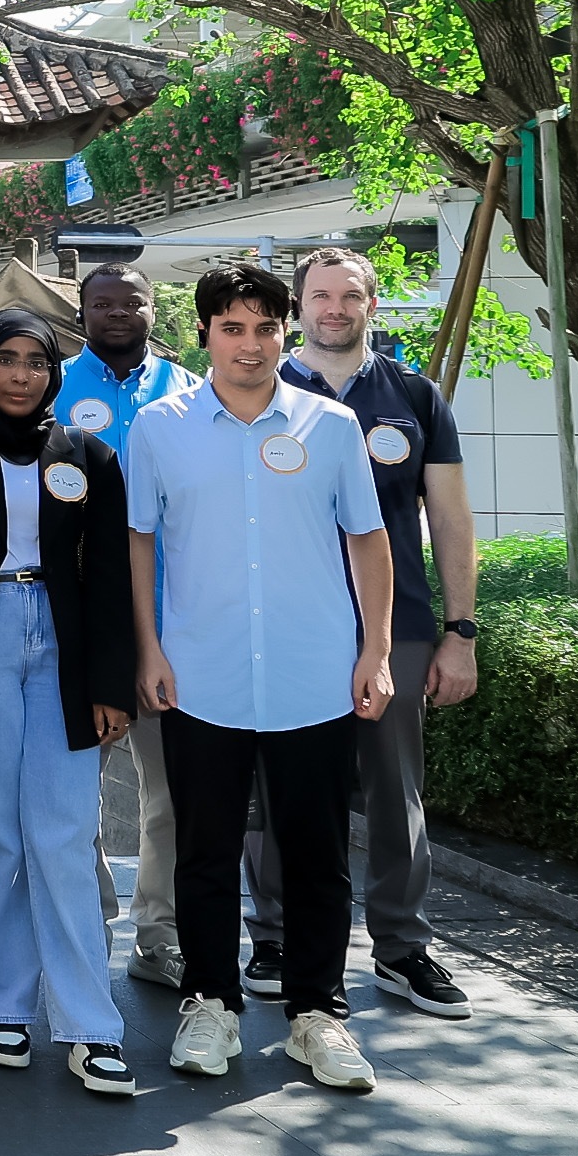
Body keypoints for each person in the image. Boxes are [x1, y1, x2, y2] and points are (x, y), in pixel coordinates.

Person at [131, 262, 396, 1094]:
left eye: (264, 327)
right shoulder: (157, 427)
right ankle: (209, 1001)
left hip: (313, 671)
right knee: (204, 851)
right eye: (232, 327)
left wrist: (376, 649)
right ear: (203, 334)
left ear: (286, 332)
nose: (250, 344)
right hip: (199, 672)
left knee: (317, 854)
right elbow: (137, 542)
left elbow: (369, 539)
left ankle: (317, 1015)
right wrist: (148, 647)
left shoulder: (330, 423)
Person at [243, 247, 479, 1019]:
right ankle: (273, 936)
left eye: (348, 295)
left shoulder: (413, 396)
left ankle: (402, 948)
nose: (333, 308)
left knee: (394, 791)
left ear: (371, 304)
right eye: (318, 296)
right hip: (288, 627)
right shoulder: (262, 392)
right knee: (281, 788)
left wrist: (460, 630)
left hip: (400, 627)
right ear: (297, 309)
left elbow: (448, 518)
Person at [0, 308, 135, 1097]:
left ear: (51, 372)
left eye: (34, 362)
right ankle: (3, 1007)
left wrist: (112, 684)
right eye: (4, 358)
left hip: (64, 647)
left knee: (65, 835)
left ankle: (88, 1024)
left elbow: (110, 575)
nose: (18, 374)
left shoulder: (86, 452)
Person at [59, 263, 199, 990]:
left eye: (130, 301)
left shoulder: (188, 392)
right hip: (70, 620)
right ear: (80, 309)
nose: (116, 312)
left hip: (166, 622)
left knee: (167, 792)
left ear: (153, 308)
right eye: (100, 302)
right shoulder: (45, 384)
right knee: (71, 791)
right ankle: (86, 924)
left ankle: (158, 934)